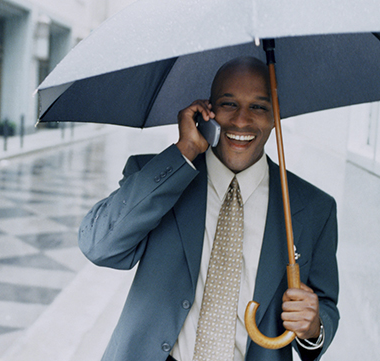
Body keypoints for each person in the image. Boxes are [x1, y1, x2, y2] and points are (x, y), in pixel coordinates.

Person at [78, 57, 339, 361]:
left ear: (275, 116)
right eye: (229, 104)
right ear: (207, 111)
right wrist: (184, 151)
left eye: (258, 107)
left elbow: (325, 306)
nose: (241, 121)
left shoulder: (314, 209)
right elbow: (98, 245)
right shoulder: (161, 176)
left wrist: (314, 326)